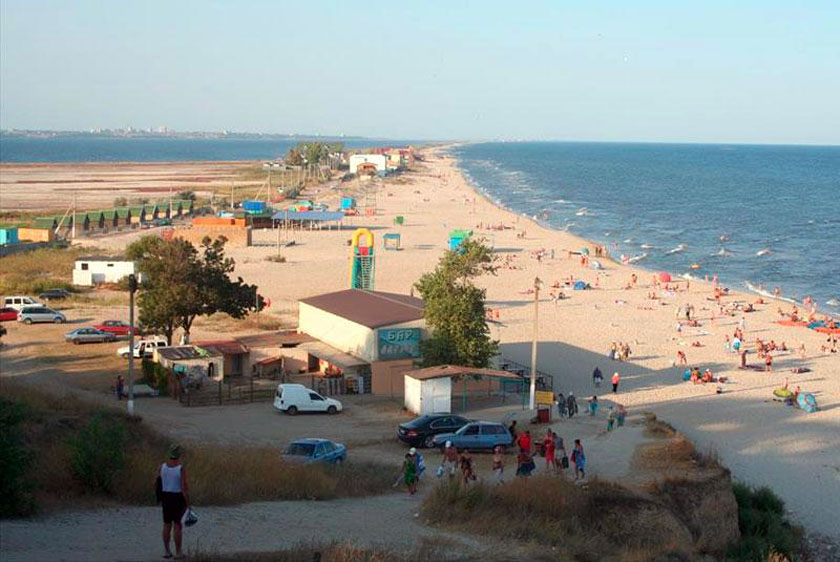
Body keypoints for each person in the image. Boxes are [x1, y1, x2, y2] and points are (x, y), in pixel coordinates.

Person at [159, 444, 190, 560]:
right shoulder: (180, 469)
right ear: (179, 455)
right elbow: (184, 487)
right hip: (177, 497)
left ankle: (167, 551)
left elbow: (157, 482)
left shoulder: (162, 467)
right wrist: (188, 503)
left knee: (166, 524)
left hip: (165, 497)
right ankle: (178, 553)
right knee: (177, 525)